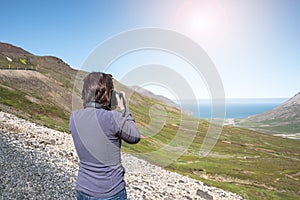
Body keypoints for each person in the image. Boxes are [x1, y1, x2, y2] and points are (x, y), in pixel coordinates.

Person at [69, 72, 140, 200]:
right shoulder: (113, 118)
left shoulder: (74, 117)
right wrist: (123, 108)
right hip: (110, 192)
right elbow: (135, 136)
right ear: (108, 94)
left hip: (83, 188)